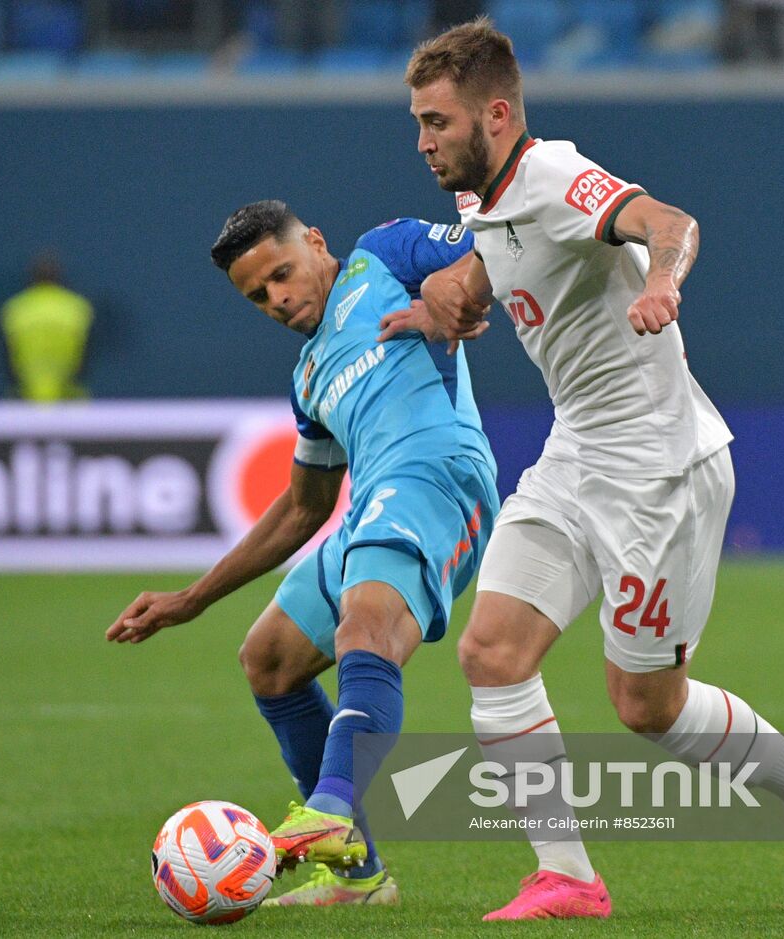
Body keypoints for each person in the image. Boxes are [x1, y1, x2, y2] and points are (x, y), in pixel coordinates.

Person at [395, 17, 784, 921]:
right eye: (417, 123)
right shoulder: (481, 195)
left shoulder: (554, 174)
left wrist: (662, 282)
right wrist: (456, 298)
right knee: (491, 650)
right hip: (578, 451)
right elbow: (506, 250)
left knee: (646, 707)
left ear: (495, 115)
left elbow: (672, 223)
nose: (423, 142)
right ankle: (568, 875)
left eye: (436, 123)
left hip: (659, 467)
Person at [107, 201, 500, 908]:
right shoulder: (310, 376)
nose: (278, 299)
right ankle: (358, 878)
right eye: (258, 296)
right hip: (370, 507)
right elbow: (304, 507)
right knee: (269, 661)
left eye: (283, 274)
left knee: (364, 626)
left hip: (437, 474)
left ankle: (331, 805)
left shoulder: (385, 256)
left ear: (316, 241)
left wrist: (464, 279)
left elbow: (510, 239)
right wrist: (189, 600)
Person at [0, 253, 95, 402]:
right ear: (59, 278)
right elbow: (86, 357)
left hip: (25, 398)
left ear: (32, 278)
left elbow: (7, 356)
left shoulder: (15, 309)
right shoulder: (77, 308)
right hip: (69, 399)